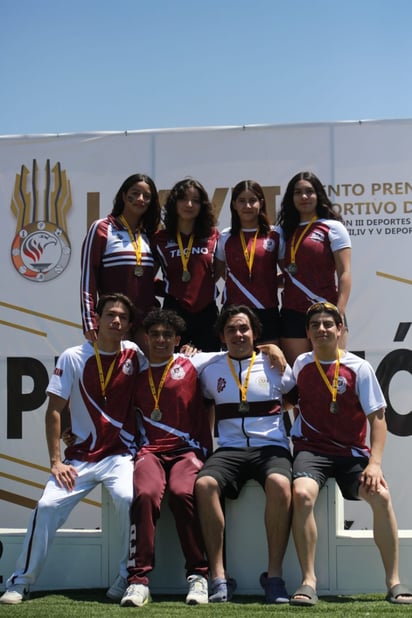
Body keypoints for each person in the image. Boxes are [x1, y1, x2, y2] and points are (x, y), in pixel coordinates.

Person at [0, 293, 146, 605]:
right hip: (80, 457)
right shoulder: (73, 356)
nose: (116, 321)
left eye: (122, 317)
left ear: (129, 324)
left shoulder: (134, 353)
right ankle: (20, 581)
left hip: (120, 455)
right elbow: (54, 410)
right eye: (110, 315)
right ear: (98, 319)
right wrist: (55, 461)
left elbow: (163, 372)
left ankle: (126, 577)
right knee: (46, 507)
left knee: (127, 499)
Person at [289, 301, 412, 606]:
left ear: (340, 329)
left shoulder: (359, 368)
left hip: (351, 454)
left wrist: (375, 463)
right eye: (315, 325)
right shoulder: (301, 364)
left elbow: (378, 419)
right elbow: (286, 400)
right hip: (311, 451)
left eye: (328, 324)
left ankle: (394, 581)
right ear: (307, 332)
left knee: (381, 496)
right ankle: (308, 581)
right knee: (301, 495)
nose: (321, 329)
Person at [195, 305, 296, 604]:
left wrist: (272, 349)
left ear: (254, 333)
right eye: (231, 330)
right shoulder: (210, 369)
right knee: (204, 485)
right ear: (221, 336)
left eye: (244, 329)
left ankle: (274, 577)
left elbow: (294, 400)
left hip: (271, 447)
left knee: (280, 484)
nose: (238, 334)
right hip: (229, 449)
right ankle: (219, 577)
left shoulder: (274, 362)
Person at [120, 309, 220, 607]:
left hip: (187, 451)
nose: (160, 340)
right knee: (145, 495)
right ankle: (138, 581)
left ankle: (198, 575)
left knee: (181, 493)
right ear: (146, 338)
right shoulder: (135, 373)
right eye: (154, 334)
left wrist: (271, 349)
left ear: (178, 340)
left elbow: (236, 353)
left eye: (167, 335)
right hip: (150, 452)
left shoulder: (192, 362)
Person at [277, 171, 351, 366]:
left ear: (318, 195)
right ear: (291, 197)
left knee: (333, 371)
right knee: (299, 373)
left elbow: (344, 273)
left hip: (327, 310)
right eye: (298, 192)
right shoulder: (284, 232)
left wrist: (338, 312)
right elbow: (291, 275)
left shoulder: (333, 227)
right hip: (293, 312)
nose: (304, 197)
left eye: (309, 191)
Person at [80, 173, 161, 351]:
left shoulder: (150, 234)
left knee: (151, 367)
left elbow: (144, 279)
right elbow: (89, 277)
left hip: (146, 319)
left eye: (146, 196)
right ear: (124, 196)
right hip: (117, 318)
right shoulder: (102, 228)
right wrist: (89, 320)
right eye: (135, 193)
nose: (140, 199)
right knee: (118, 367)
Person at [152, 178, 220, 351]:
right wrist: (169, 289)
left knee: (208, 363)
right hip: (173, 312)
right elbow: (146, 277)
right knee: (174, 365)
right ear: (174, 203)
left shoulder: (212, 235)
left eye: (195, 200)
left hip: (207, 312)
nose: (189, 204)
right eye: (183, 199)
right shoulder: (160, 238)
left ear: (202, 206)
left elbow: (218, 272)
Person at [215, 180, 282, 344]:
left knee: (269, 358)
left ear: (261, 203)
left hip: (267, 310)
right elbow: (217, 273)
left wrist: (268, 281)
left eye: (252, 200)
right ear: (234, 205)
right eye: (242, 201)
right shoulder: (225, 236)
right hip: (234, 311)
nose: (247, 206)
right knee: (234, 359)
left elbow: (289, 273)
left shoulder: (275, 234)